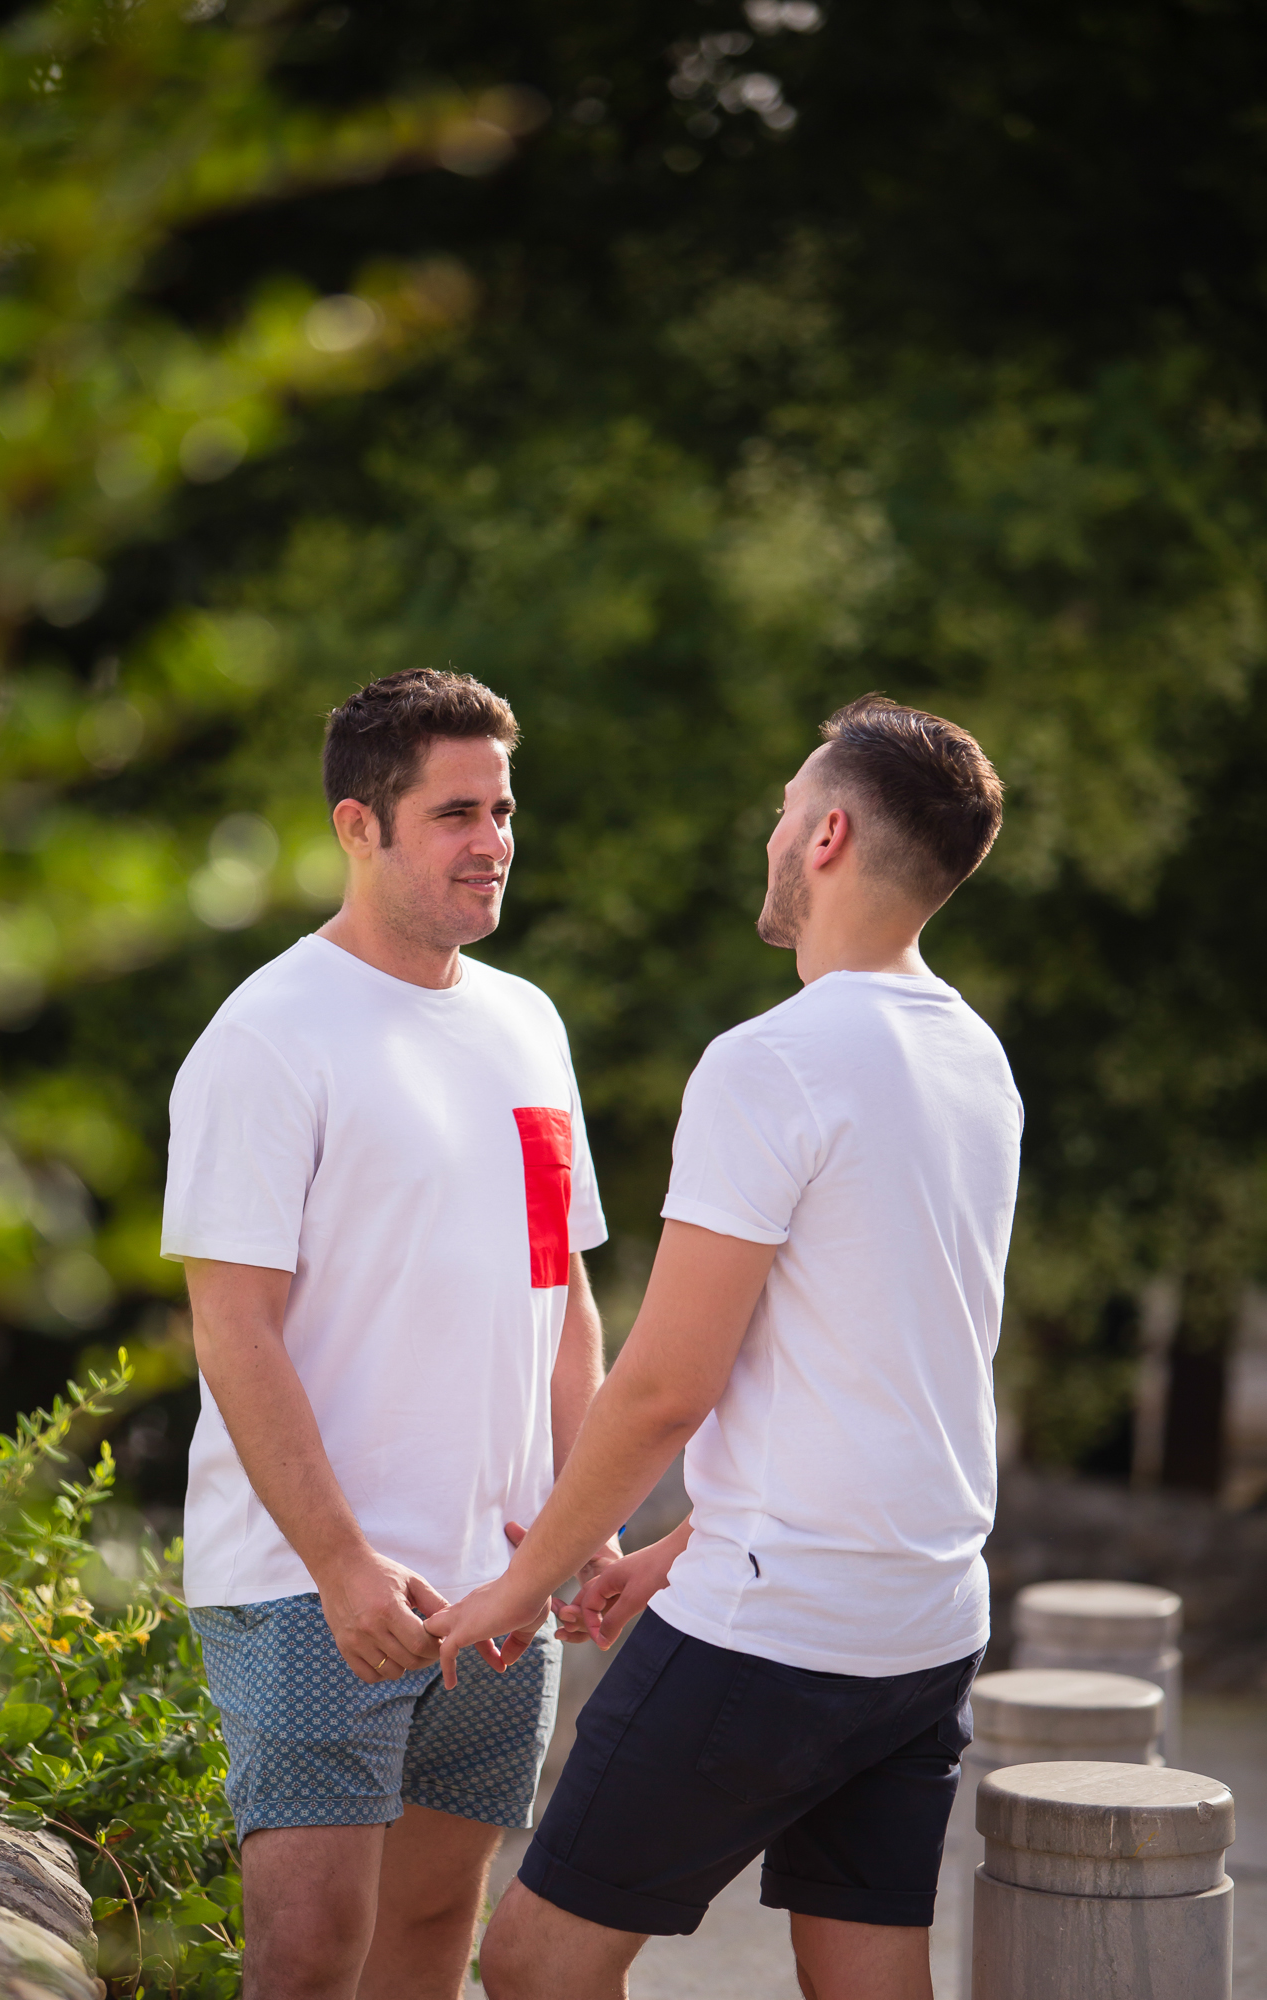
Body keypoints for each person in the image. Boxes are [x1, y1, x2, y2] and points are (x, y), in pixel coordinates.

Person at [428, 694, 1024, 2000]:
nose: (767, 838)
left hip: (776, 1635)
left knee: (530, 1961)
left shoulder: (774, 1062)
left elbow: (661, 1389)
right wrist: (664, 1555)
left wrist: (520, 1588)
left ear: (824, 836)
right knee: (866, 1978)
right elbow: (877, 1376)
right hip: (921, 1622)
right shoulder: (974, 1062)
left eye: (778, 814)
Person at [160, 667, 617, 2000]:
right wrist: (343, 1562)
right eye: (455, 813)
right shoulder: (267, 1035)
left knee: (428, 1944)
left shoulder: (527, 1024)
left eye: (504, 808)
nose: (493, 844)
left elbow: (562, 1296)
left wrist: (575, 1522)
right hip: (313, 1588)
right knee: (306, 1960)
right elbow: (231, 1327)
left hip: (496, 1591)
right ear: (359, 825)